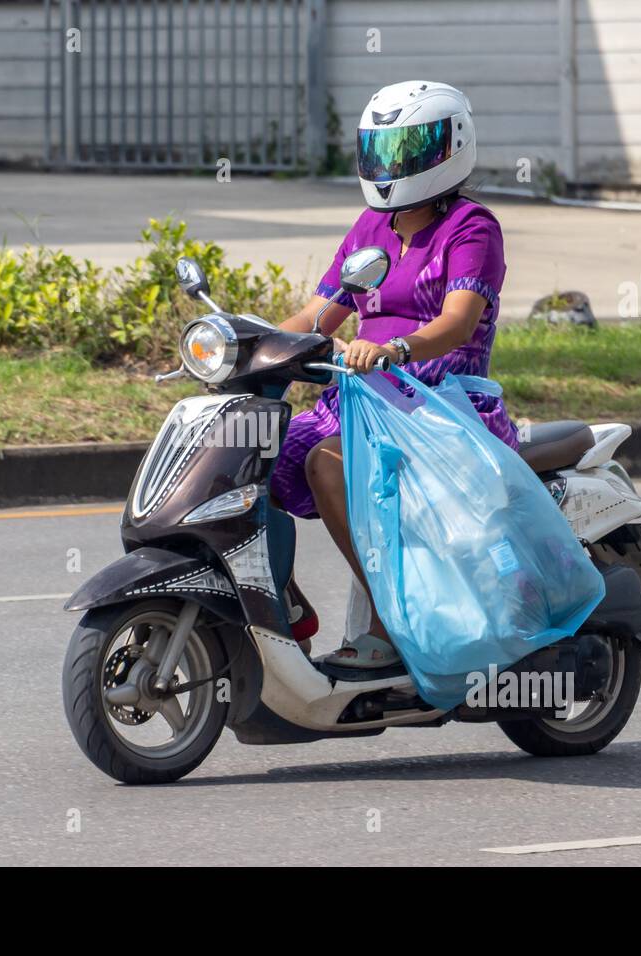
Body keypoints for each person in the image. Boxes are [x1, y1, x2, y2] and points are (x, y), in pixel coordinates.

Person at [271, 80, 520, 669]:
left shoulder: (471, 227)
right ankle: (282, 603)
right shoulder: (371, 227)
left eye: (405, 152)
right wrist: (253, 347)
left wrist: (396, 349)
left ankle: (389, 620)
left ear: (448, 150)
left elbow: (459, 323)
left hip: (434, 403)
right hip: (360, 398)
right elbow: (320, 313)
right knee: (254, 455)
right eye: (381, 152)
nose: (391, 167)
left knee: (325, 463)